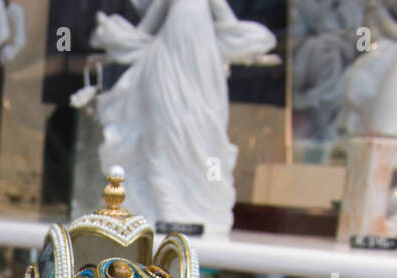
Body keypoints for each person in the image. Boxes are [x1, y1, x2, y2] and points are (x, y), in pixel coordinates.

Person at [87, 1, 276, 234]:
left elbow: (229, 25)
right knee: (162, 139)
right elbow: (145, 30)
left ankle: (201, 205)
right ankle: (165, 210)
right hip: (166, 66)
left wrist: (247, 47)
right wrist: (118, 38)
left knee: (204, 141)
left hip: (200, 70)